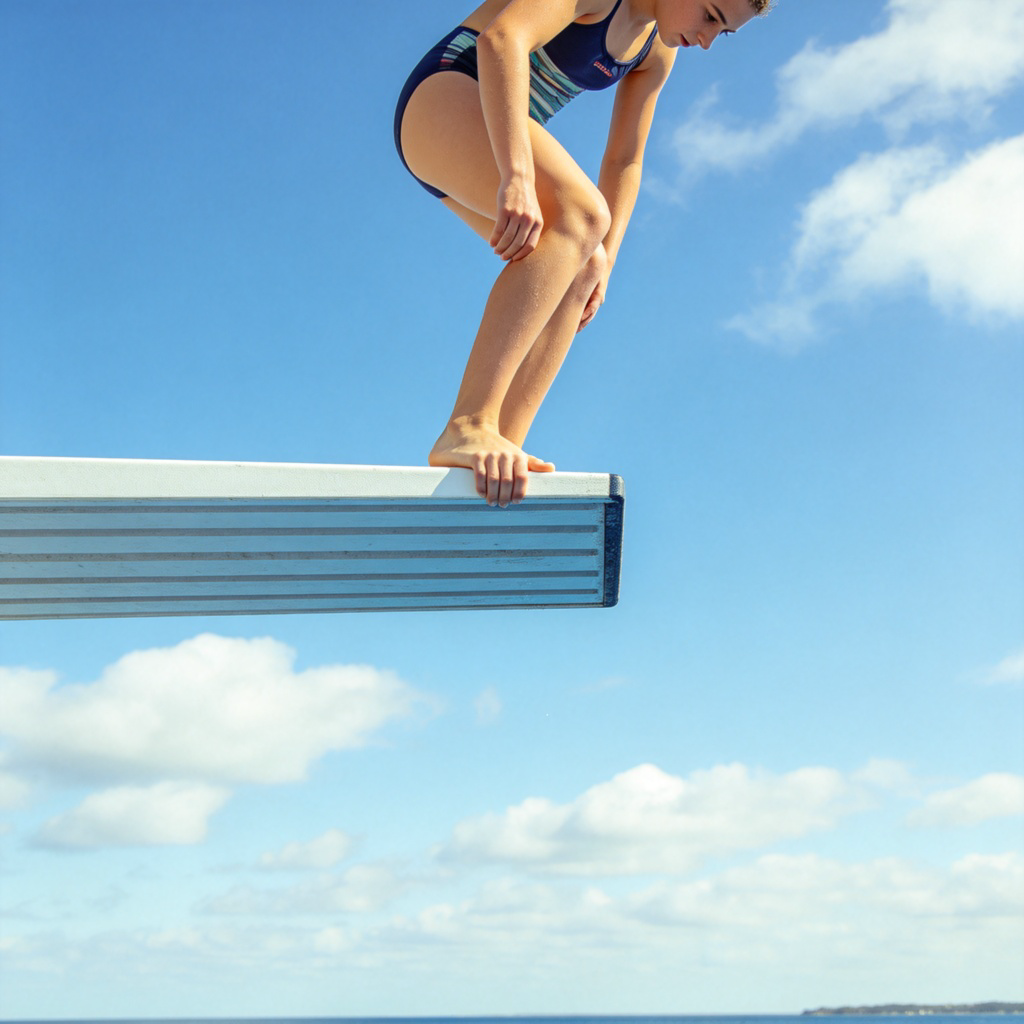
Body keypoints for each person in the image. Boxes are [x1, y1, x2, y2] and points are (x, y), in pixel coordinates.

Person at [395, 0, 771, 506]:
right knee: (582, 216)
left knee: (584, 262)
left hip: (489, 135)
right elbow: (501, 39)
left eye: (721, 33)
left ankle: (500, 452)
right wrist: (517, 175)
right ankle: (469, 424)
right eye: (710, 15)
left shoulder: (655, 49)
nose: (706, 39)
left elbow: (625, 158)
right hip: (446, 96)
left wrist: (606, 263)